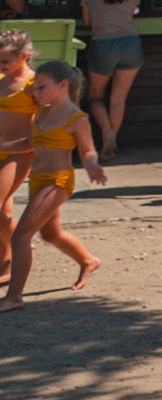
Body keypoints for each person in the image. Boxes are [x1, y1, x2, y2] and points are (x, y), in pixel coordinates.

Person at [1, 60, 105, 310]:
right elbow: (27, 143)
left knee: (21, 235)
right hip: (37, 181)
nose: (35, 92)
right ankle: (88, 261)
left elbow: (88, 150)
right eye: (35, 87)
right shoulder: (43, 111)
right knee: (51, 234)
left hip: (57, 182)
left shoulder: (76, 118)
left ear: (63, 85)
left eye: (41, 87)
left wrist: (93, 165)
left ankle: (14, 297)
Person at [81, 0, 143, 157]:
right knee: (119, 99)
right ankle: (110, 146)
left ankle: (106, 131)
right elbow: (131, 14)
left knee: (95, 96)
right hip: (131, 44)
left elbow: (87, 22)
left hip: (103, 45)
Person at [0, 31, 34, 281]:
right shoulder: (1, 78)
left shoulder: (34, 84)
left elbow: (41, 130)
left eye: (5, 61)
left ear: (24, 56)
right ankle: (7, 262)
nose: (1, 66)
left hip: (18, 152)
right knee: (3, 211)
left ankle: (21, 251)